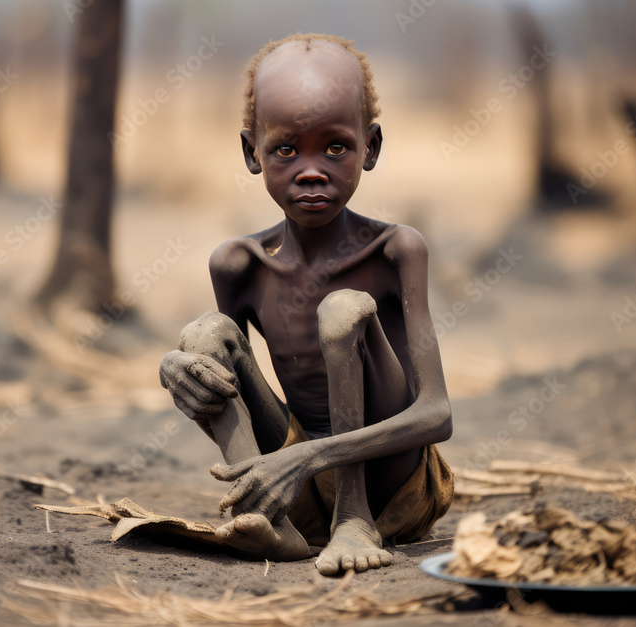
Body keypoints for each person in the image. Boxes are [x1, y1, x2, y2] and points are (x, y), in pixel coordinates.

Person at [159, 33, 454, 576]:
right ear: (252, 152)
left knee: (343, 311)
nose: (312, 169)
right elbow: (232, 393)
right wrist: (178, 371)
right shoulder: (238, 264)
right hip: (292, 484)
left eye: (336, 147)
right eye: (286, 149)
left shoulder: (396, 250)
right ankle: (264, 516)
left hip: (391, 483)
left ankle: (353, 519)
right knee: (203, 336)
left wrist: (308, 456)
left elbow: (436, 414)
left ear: (373, 147)